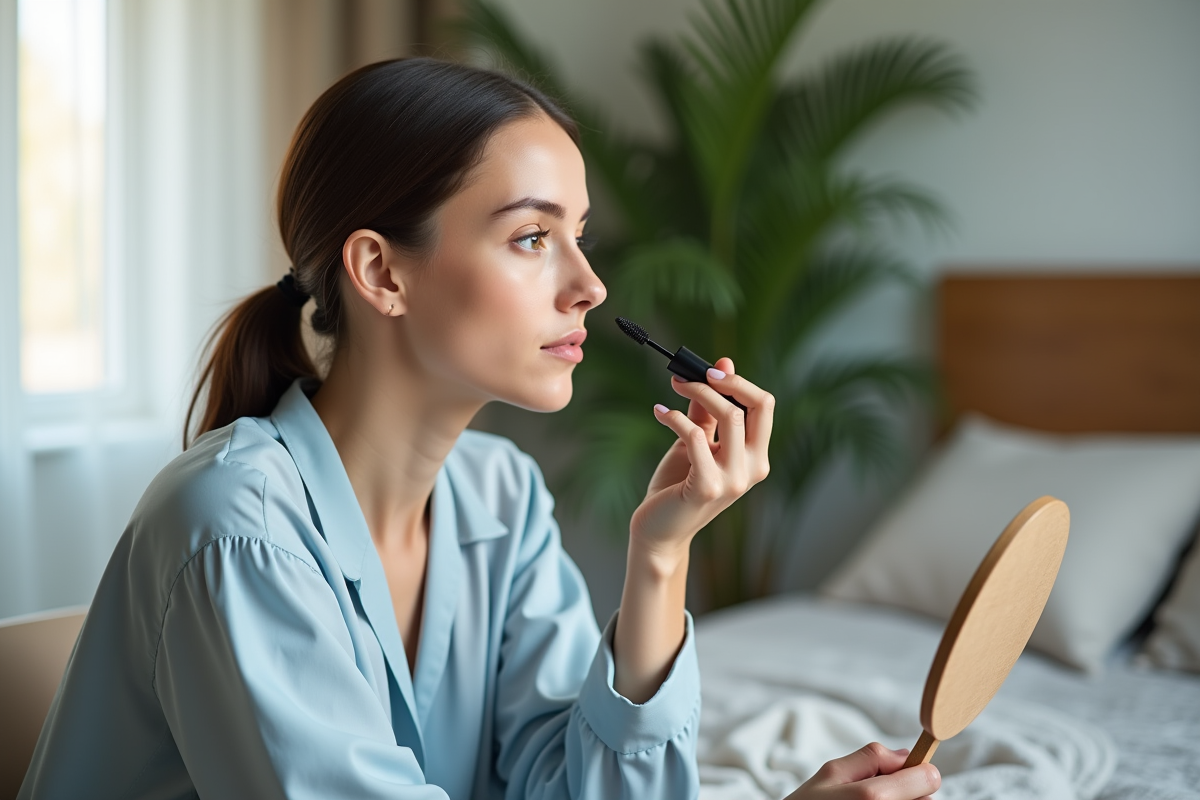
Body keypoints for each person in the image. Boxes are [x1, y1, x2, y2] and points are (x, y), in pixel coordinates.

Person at [18, 58, 940, 800]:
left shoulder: (499, 495)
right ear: (382, 272)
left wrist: (660, 556)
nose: (590, 285)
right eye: (533, 238)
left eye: (579, 234)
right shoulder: (234, 530)